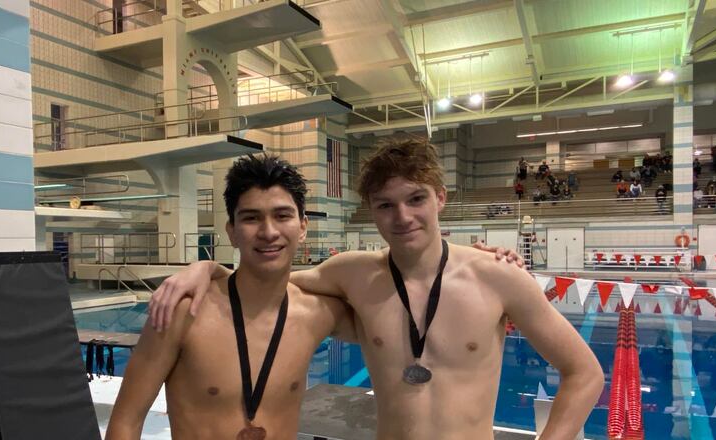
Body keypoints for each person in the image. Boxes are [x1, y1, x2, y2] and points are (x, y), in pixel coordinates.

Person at [149, 137, 604, 439]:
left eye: (416, 199)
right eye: (386, 205)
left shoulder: (498, 277)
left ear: (440, 198)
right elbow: (263, 280)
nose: (403, 217)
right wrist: (204, 269)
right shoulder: (352, 274)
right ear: (370, 210)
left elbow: (584, 374)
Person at [105, 155, 357, 439]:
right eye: (251, 218)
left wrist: (210, 267)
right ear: (232, 232)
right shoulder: (182, 312)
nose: (269, 232)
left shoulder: (318, 313)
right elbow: (125, 423)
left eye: (282, 215)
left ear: (302, 227)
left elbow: (393, 329)